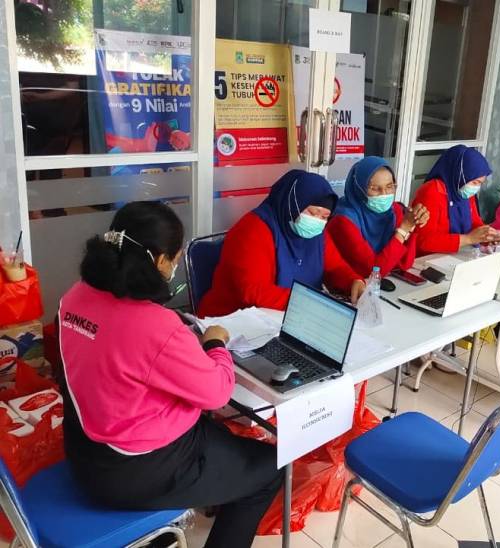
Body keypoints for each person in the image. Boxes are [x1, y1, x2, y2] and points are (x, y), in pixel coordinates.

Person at [57, 202, 282, 548]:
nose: (175, 267)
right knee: (270, 468)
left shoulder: (74, 298)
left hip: (84, 449)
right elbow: (218, 392)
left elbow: (116, 354)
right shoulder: (155, 326)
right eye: (175, 259)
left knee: (220, 439)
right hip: (136, 470)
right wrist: (215, 343)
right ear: (160, 260)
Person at [199, 170, 366, 317]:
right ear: (293, 204)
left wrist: (353, 281)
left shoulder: (317, 234)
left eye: (324, 217)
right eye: (313, 213)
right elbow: (253, 291)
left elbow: (336, 267)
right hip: (230, 321)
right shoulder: (254, 229)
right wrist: (309, 303)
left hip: (288, 318)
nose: (318, 222)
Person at [327, 156, 430, 277]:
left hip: (382, 281)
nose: (384, 194)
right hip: (354, 284)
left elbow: (404, 263)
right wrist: (403, 230)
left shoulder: (394, 210)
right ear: (359, 189)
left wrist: (413, 224)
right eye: (375, 189)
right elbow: (373, 272)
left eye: (389, 187)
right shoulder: (343, 220)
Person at [412, 144, 500, 255]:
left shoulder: (463, 191)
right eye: (475, 182)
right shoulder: (432, 191)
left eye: (480, 183)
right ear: (460, 175)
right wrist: (468, 239)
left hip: (455, 255)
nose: (476, 188)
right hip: (428, 258)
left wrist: (488, 235)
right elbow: (423, 241)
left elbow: (474, 222)